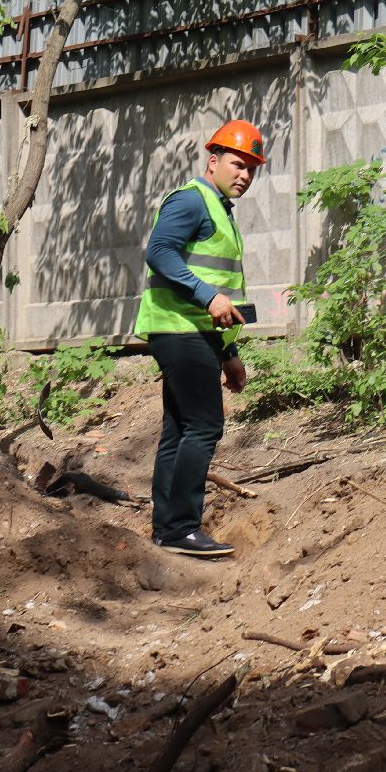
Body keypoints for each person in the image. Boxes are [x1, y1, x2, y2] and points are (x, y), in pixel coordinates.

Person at [132, 119, 266, 557]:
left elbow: (217, 292)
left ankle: (166, 528)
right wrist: (207, 296)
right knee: (205, 426)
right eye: (237, 164)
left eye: (251, 168)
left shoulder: (218, 210)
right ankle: (180, 528)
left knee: (179, 429)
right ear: (213, 162)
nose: (244, 174)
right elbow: (159, 252)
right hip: (179, 329)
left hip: (193, 334)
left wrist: (229, 353)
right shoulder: (192, 202)